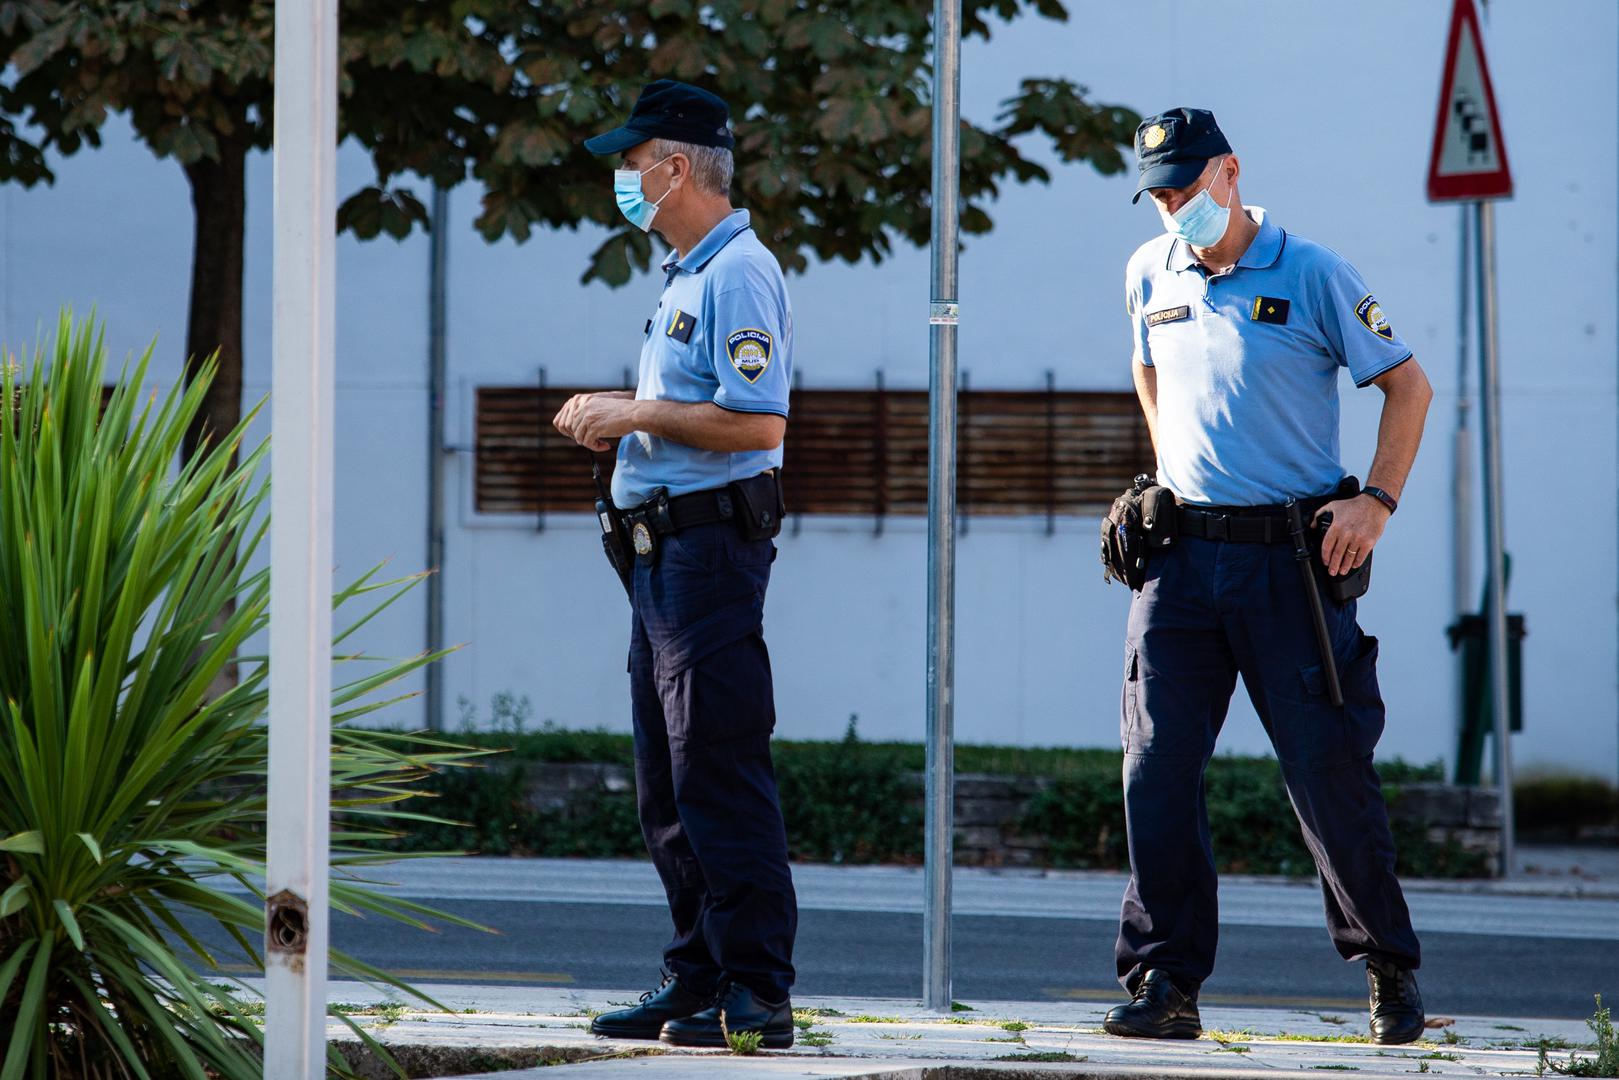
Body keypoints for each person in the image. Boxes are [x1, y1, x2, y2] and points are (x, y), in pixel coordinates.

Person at [1103, 107, 1433, 1045]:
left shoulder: (1312, 271)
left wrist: (1375, 503)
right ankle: (1165, 981)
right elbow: (1147, 370)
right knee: (1155, 771)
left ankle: (1387, 968)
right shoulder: (1147, 271)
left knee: (1326, 770)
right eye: (1159, 195)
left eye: (1186, 187)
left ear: (1229, 171)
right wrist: (1163, 471)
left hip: (1289, 561)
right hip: (1179, 563)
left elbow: (1406, 385)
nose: (1175, 208)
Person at [553, 79, 797, 1050]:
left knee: (716, 767)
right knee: (667, 780)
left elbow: (759, 422)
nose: (622, 178)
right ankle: (695, 976)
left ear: (676, 166)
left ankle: (756, 992)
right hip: (662, 558)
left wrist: (634, 413)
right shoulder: (688, 274)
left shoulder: (738, 273)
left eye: (630, 160)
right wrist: (627, 427)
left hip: (708, 556)